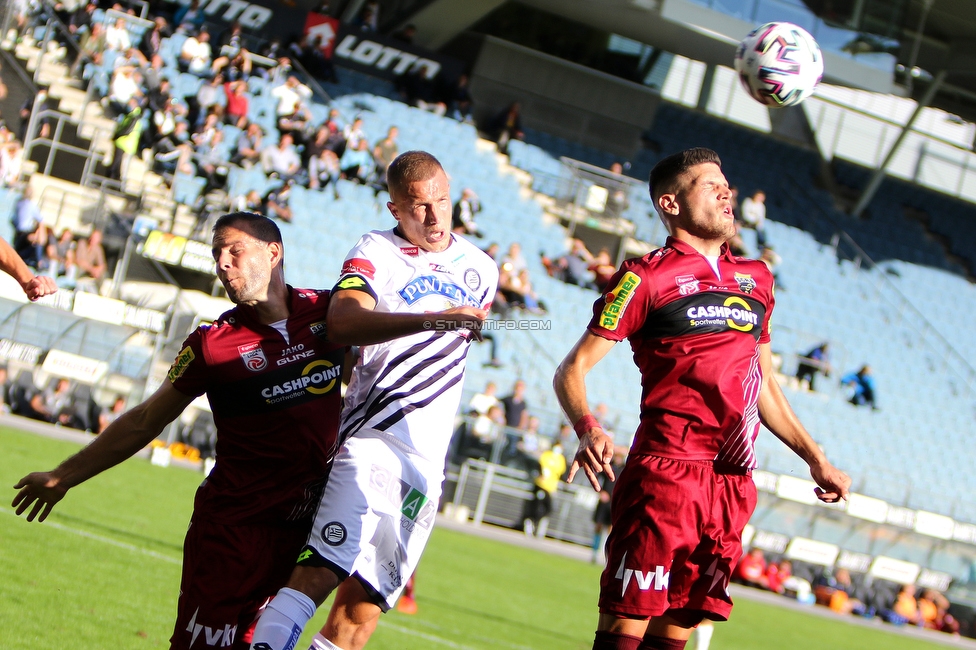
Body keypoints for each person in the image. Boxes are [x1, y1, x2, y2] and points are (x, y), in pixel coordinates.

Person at [552, 147, 850, 650]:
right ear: (670, 203)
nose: (725, 191)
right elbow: (572, 369)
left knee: (680, 629)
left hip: (732, 483)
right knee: (627, 628)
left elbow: (766, 384)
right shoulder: (644, 277)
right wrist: (588, 426)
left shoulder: (757, 279)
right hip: (667, 473)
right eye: (709, 184)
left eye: (725, 182)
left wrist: (816, 459)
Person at [13, 212, 347, 650]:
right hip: (233, 532)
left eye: (234, 251)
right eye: (216, 255)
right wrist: (63, 476)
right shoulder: (211, 345)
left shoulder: (331, 313)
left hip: (304, 531)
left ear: (273, 253)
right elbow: (145, 420)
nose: (222, 263)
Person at [248, 151, 498, 650]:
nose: (433, 216)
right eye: (418, 206)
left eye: (442, 202)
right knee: (321, 570)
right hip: (372, 439)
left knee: (360, 614)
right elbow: (342, 322)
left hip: (427, 463)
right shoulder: (375, 251)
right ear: (395, 210)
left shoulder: (482, 269)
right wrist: (435, 318)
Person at [521, 441, 567, 538]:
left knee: (549, 508)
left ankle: (533, 521)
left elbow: (561, 473)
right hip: (541, 485)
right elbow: (540, 466)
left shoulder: (561, 459)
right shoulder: (547, 455)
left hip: (551, 488)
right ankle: (530, 520)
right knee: (537, 504)